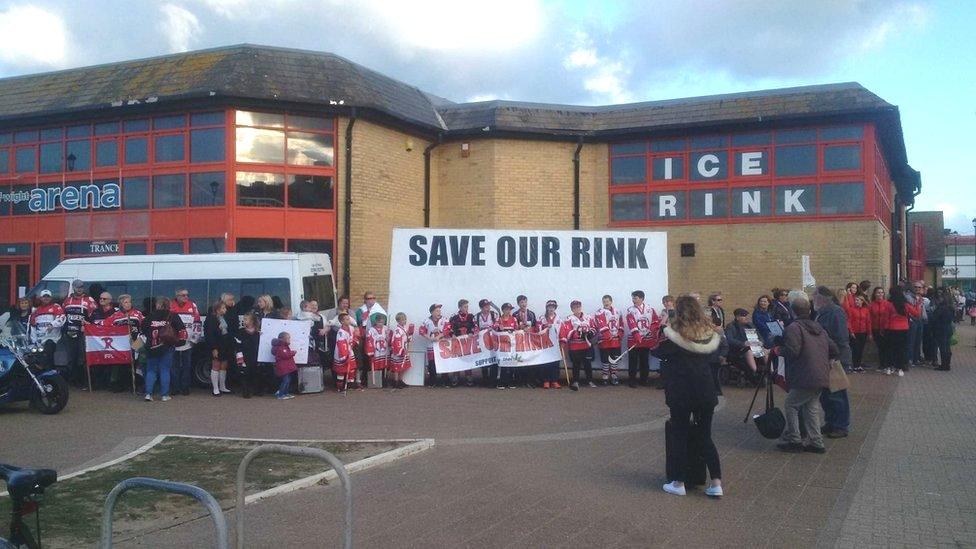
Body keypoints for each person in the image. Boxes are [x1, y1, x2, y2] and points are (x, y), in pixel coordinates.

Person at [654, 295, 723, 498]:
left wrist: (663, 327)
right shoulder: (709, 334)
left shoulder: (674, 335)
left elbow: (658, 352)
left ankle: (679, 482)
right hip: (705, 389)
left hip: (681, 390)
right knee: (705, 435)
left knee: (680, 435)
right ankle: (716, 482)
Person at [777, 298, 838, 454]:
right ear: (810, 311)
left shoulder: (794, 328)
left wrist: (779, 350)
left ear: (792, 311)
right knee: (811, 408)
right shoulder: (819, 328)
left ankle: (794, 439)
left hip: (804, 374)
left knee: (791, 405)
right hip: (821, 374)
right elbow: (834, 348)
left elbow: (793, 351)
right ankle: (816, 442)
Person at [812, 286, 853, 439]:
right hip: (824, 357)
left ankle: (841, 425)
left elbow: (841, 337)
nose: (812, 299)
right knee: (826, 394)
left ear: (821, 297)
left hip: (835, 358)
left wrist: (835, 357)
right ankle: (830, 422)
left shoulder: (835, 312)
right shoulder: (822, 312)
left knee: (837, 393)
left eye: (814, 296)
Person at [140, 297, 185, 402]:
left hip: (152, 346)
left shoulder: (150, 316)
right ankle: (164, 395)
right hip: (167, 346)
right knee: (165, 370)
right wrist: (178, 342)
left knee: (151, 370)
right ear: (169, 305)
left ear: (158, 305)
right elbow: (181, 329)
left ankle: (148, 394)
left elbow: (144, 329)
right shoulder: (173, 316)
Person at [62, 279, 97, 388]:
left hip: (83, 334)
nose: (79, 289)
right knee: (70, 358)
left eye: (81, 287)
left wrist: (87, 324)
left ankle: (84, 382)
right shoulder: (67, 301)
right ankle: (72, 381)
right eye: (77, 287)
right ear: (73, 287)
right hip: (69, 333)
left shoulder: (89, 300)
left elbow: (94, 316)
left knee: (83, 358)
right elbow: (62, 316)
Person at [107, 294, 145, 392]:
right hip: (120, 345)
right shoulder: (115, 316)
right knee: (120, 364)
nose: (128, 304)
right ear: (121, 304)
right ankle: (118, 384)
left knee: (137, 363)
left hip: (136, 342)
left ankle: (137, 384)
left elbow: (145, 326)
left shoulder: (137, 314)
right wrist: (87, 325)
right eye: (125, 302)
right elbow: (103, 325)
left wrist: (139, 343)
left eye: (129, 302)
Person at [170, 288, 202, 396]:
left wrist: (194, 340)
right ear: (177, 296)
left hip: (188, 343)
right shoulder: (171, 306)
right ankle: (175, 387)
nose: (186, 297)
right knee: (173, 366)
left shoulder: (192, 305)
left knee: (186, 366)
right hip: (173, 342)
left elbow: (197, 323)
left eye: (187, 295)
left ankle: (185, 387)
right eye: (183, 295)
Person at [625, 290, 661, 387]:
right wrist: (637, 335)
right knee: (633, 361)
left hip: (646, 340)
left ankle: (643, 379)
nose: (633, 300)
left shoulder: (650, 309)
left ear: (641, 298)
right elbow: (631, 323)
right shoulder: (630, 310)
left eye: (635, 298)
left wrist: (652, 329)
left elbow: (655, 322)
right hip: (634, 340)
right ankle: (632, 380)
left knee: (644, 360)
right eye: (633, 298)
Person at [882, 287, 919, 376]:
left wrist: (884, 329)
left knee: (890, 349)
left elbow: (886, 318)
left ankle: (890, 367)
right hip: (904, 329)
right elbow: (916, 313)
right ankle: (900, 368)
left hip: (891, 329)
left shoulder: (889, 305)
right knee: (901, 349)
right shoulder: (905, 305)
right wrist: (918, 304)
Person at [559, 300, 595, 390]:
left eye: (578, 307)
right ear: (572, 309)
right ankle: (575, 381)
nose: (577, 309)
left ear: (581, 307)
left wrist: (590, 333)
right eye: (574, 308)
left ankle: (590, 380)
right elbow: (566, 331)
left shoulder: (588, 317)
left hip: (586, 345)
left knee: (588, 363)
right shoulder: (568, 319)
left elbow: (594, 327)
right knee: (576, 364)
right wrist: (576, 333)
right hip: (575, 346)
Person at [204, 301, 235, 396]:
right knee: (216, 366)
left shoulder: (223, 318)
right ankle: (215, 389)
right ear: (218, 310)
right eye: (223, 308)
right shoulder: (210, 319)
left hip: (225, 345)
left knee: (224, 366)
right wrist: (214, 348)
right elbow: (209, 335)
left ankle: (222, 386)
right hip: (216, 345)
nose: (225, 310)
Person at [29, 290, 65, 369]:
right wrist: (34, 341)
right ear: (41, 298)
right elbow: (33, 327)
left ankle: (47, 369)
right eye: (44, 296)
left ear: (51, 298)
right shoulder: (36, 310)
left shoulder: (56, 307)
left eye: (48, 296)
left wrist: (52, 324)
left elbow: (62, 318)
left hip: (53, 339)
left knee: (49, 346)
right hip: (40, 341)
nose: (46, 298)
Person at [592, 294, 623, 386]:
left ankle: (613, 375)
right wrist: (607, 335)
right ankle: (605, 376)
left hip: (615, 341)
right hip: (604, 341)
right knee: (605, 359)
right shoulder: (599, 312)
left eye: (607, 301)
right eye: (604, 301)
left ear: (611, 301)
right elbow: (601, 324)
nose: (606, 303)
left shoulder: (618, 311)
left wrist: (620, 334)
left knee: (614, 359)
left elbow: (621, 323)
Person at [724, 308, 763, 375]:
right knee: (749, 351)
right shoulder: (731, 326)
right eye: (744, 316)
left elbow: (759, 336)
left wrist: (761, 342)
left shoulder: (750, 325)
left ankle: (768, 372)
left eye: (746, 316)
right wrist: (743, 343)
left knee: (766, 350)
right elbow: (729, 339)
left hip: (754, 346)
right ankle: (755, 372)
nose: (746, 318)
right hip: (739, 350)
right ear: (737, 317)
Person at [447, 299, 477, 387]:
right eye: (465, 307)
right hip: (457, 341)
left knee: (467, 358)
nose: (467, 308)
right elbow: (448, 327)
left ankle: (468, 376)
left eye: (467, 306)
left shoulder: (471, 316)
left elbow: (475, 326)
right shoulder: (454, 316)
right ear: (460, 307)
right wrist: (452, 334)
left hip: (468, 341)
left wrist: (472, 332)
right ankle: (456, 376)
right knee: (457, 358)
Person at [420, 304, 448, 387]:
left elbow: (448, 329)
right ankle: (433, 381)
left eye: (439, 310)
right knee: (432, 364)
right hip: (431, 346)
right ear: (432, 312)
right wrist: (429, 338)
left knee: (444, 363)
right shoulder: (426, 321)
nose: (439, 312)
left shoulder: (445, 320)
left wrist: (439, 336)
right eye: (437, 310)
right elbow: (421, 331)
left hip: (442, 346)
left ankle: (445, 381)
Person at [537, 300, 562, 389]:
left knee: (555, 362)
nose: (551, 309)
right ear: (547, 308)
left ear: (555, 308)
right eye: (549, 307)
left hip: (555, 343)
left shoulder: (558, 318)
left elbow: (561, 329)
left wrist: (562, 340)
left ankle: (554, 380)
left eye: (553, 307)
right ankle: (546, 381)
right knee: (545, 362)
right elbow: (538, 328)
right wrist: (545, 326)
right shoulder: (542, 318)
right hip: (545, 343)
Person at [514, 295, 538, 387]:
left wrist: (530, 329)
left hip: (529, 340)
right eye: (521, 302)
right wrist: (519, 327)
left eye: (525, 302)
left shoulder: (531, 314)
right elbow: (513, 327)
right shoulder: (515, 314)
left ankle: (530, 380)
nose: (523, 304)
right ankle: (520, 380)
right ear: (518, 304)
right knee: (520, 360)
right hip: (519, 341)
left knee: (530, 360)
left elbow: (535, 326)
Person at [475, 299, 499, 387]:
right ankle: (485, 379)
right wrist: (479, 332)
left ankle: (493, 380)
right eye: (485, 307)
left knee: (494, 358)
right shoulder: (476, 317)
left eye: (488, 306)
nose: (488, 308)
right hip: (483, 341)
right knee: (483, 359)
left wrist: (491, 328)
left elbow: (497, 324)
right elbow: (475, 327)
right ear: (481, 308)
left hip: (493, 340)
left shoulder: (494, 314)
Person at [332, 312, 358, 391]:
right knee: (341, 371)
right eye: (346, 319)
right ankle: (340, 387)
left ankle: (350, 384)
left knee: (352, 368)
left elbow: (354, 336)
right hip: (342, 353)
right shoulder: (341, 332)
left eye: (348, 318)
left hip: (349, 350)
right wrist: (344, 356)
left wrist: (355, 340)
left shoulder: (351, 328)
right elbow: (341, 344)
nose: (349, 320)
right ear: (342, 322)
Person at [930, 289, 955, 371]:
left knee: (942, 347)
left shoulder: (941, 308)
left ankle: (944, 365)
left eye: (941, 297)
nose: (939, 299)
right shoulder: (951, 308)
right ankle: (947, 364)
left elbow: (934, 318)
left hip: (941, 329)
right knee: (947, 347)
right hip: (948, 328)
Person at [237, 313, 261, 398]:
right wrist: (240, 359)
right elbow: (238, 345)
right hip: (244, 356)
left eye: (246, 319)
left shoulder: (258, 333)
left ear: (252, 321)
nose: (244, 320)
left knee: (255, 373)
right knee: (245, 373)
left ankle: (256, 389)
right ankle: (245, 391)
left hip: (254, 356)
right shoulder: (241, 332)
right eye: (244, 319)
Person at [847, 294, 872, 372]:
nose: (856, 301)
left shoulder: (866, 310)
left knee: (861, 349)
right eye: (855, 300)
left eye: (858, 300)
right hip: (855, 332)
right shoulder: (851, 310)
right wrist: (851, 331)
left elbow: (868, 322)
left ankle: (859, 365)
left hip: (863, 332)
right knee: (855, 349)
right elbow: (849, 321)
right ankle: (855, 365)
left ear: (862, 301)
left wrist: (869, 333)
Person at [365, 313, 391, 386]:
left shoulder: (386, 328)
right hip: (376, 351)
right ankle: (377, 381)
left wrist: (388, 337)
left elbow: (390, 339)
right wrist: (370, 351)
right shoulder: (371, 330)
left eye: (382, 322)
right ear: (376, 322)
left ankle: (384, 379)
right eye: (379, 322)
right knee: (377, 366)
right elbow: (369, 340)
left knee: (385, 366)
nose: (381, 324)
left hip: (385, 351)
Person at [388, 312, 412, 388]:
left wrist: (409, 339)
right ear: (398, 321)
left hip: (404, 347)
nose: (404, 321)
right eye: (402, 320)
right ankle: (396, 381)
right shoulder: (397, 330)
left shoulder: (404, 328)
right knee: (397, 367)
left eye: (405, 319)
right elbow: (396, 341)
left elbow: (407, 337)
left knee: (403, 366)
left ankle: (400, 380)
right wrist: (400, 351)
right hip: (398, 350)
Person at [271, 331, 297, 400]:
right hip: (283, 368)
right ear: (283, 339)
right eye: (288, 338)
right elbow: (285, 355)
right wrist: (293, 353)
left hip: (286, 367)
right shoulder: (281, 347)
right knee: (285, 381)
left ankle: (285, 393)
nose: (289, 340)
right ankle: (281, 394)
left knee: (287, 380)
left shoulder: (284, 346)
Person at [869, 287, 890, 372]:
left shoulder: (888, 304)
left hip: (886, 329)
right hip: (876, 329)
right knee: (880, 347)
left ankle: (887, 364)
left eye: (882, 292)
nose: (880, 294)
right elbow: (869, 319)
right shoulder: (871, 305)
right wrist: (870, 332)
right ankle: (882, 364)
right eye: (878, 292)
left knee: (886, 347)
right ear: (874, 294)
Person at [905, 281, 926, 368]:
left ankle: (916, 358)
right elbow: (910, 309)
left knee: (918, 340)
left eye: (919, 287)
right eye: (916, 287)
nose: (917, 289)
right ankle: (910, 359)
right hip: (912, 320)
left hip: (920, 320)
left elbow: (922, 309)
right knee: (911, 340)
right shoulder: (908, 297)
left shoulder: (920, 297)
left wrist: (925, 318)